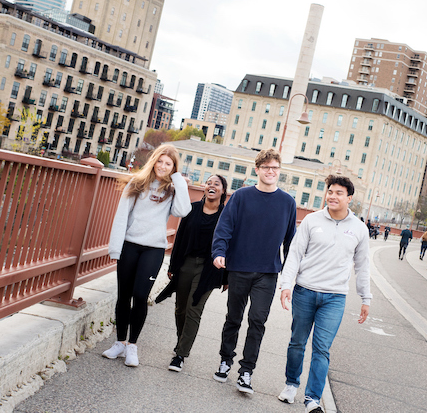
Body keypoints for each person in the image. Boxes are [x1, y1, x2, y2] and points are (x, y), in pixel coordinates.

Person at [278, 175, 371, 412]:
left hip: (335, 298)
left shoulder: (359, 229)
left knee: (321, 348)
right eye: (330, 191)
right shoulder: (311, 220)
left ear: (349, 198)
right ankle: (291, 384)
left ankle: (312, 399)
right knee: (297, 342)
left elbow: (362, 266)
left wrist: (365, 298)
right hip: (305, 291)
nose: (332, 196)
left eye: (339, 193)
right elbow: (295, 254)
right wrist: (286, 284)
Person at [211, 149, 296, 394]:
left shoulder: (287, 203)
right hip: (239, 267)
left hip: (268, 273)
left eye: (275, 168)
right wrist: (219, 252)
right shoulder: (241, 197)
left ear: (279, 171)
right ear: (257, 169)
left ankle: (246, 371)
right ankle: (226, 359)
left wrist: (289, 277)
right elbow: (224, 227)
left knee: (257, 321)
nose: (271, 171)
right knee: (233, 318)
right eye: (266, 167)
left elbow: (292, 243)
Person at [103, 144, 191, 367]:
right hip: (129, 245)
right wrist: (115, 248)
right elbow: (121, 215)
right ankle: (120, 343)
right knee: (124, 295)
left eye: (168, 164)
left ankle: (132, 346)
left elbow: (183, 211)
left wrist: (179, 181)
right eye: (160, 161)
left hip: (153, 249)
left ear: (173, 167)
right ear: (153, 161)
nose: (163, 166)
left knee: (140, 296)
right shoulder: (137, 183)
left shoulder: (172, 189)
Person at [155, 175, 228, 372]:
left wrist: (226, 276)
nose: (211, 186)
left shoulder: (227, 215)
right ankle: (182, 342)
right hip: (186, 263)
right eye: (209, 183)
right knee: (181, 309)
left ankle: (180, 355)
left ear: (223, 191)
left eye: (217, 184)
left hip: (209, 269)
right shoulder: (191, 209)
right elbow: (180, 238)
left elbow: (231, 245)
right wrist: (173, 266)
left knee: (194, 309)